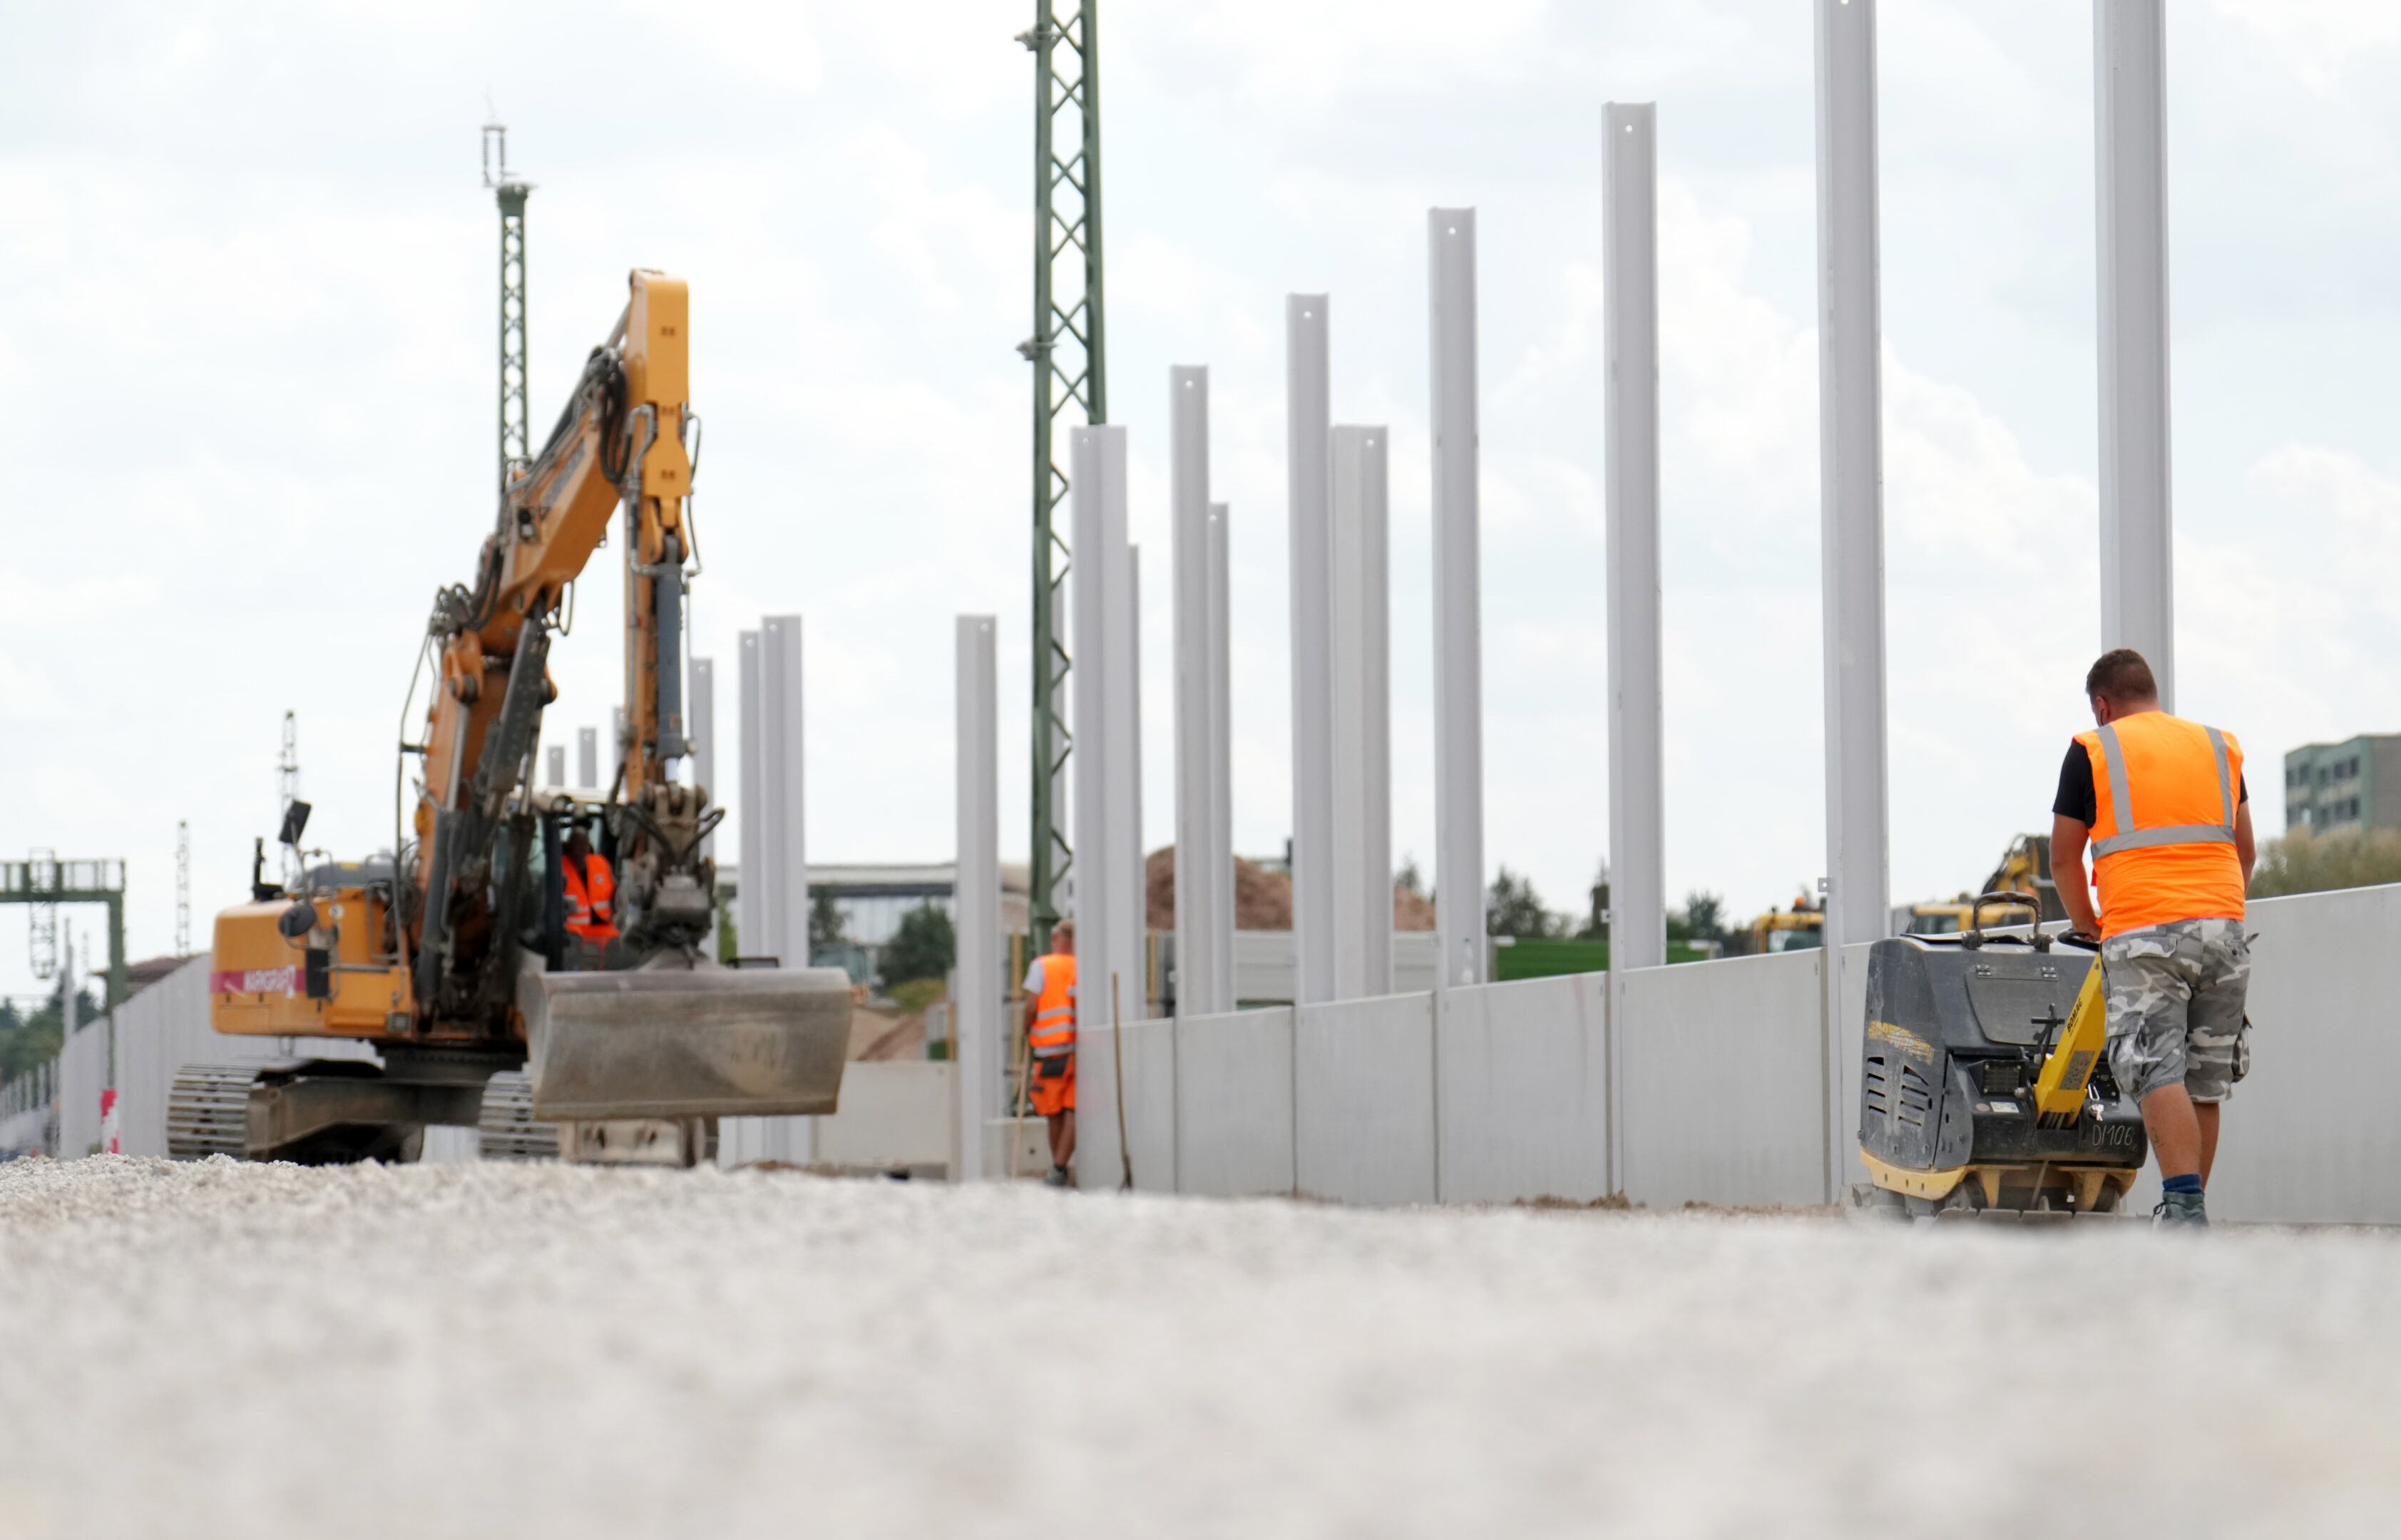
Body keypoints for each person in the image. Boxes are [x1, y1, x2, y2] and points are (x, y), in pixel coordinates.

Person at [2051, 648, 2255, 1227]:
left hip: (2143, 928)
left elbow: (2064, 859)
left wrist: (2090, 924)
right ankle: (2186, 1212)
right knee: (2205, 1076)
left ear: (2101, 704)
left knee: (2151, 1068)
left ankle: (2184, 1208)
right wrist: (2219, 912)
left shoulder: (2092, 749)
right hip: (2224, 924)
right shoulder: (2219, 746)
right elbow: (2246, 851)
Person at [1020, 918, 1077, 1187]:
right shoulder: (1081, 965)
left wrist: (1025, 1029)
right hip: (1079, 1050)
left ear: (1056, 937)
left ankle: (1058, 1170)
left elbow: (1031, 1007)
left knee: (1054, 1112)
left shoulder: (1041, 966)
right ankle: (1059, 1168)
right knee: (1073, 1110)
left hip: (1051, 1051)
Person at [562, 826, 619, 948]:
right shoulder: (559, 868)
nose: (582, 848)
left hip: (604, 930)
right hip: (574, 933)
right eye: (578, 844)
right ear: (569, 846)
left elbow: (617, 893)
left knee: (618, 944)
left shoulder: (601, 863)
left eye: (585, 844)